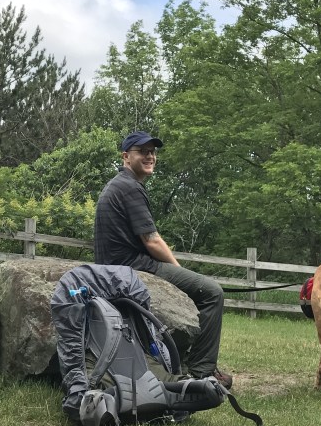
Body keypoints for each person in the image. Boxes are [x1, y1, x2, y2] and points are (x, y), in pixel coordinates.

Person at [94, 130, 231, 389]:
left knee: (204, 289)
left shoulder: (119, 185)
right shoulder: (130, 188)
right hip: (134, 268)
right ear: (126, 157)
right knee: (212, 292)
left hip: (118, 269)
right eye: (142, 151)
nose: (149, 156)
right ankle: (202, 372)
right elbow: (152, 240)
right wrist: (178, 272)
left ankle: (195, 364)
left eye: (152, 152)